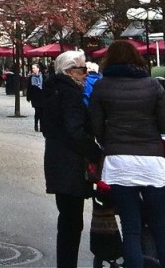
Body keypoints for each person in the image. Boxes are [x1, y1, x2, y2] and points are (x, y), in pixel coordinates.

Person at [90, 39, 165, 268]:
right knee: (161, 229)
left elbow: (96, 129)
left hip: (119, 164)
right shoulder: (153, 85)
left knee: (131, 229)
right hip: (152, 163)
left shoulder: (102, 86)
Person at [42, 50, 98, 268]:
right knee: (72, 222)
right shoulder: (71, 94)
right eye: (82, 69)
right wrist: (95, 152)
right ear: (69, 71)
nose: (85, 74)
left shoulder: (51, 89)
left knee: (66, 218)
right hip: (70, 164)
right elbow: (74, 131)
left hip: (56, 160)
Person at [25, 64, 44, 132]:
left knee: (42, 112)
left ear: (38, 69)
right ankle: (36, 124)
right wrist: (28, 97)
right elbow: (29, 88)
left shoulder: (43, 76)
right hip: (35, 97)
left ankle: (42, 126)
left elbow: (46, 87)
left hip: (42, 97)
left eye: (34, 68)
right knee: (37, 111)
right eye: (32, 68)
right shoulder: (31, 77)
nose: (33, 69)